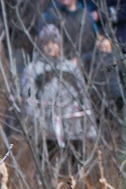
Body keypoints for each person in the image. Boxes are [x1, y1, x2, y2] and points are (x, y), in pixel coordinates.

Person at [20, 25, 98, 174]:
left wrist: (90, 127)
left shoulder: (71, 68)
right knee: (45, 168)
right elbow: (28, 98)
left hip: (73, 127)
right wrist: (37, 122)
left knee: (76, 167)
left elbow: (83, 97)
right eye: (46, 43)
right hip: (47, 127)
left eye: (54, 43)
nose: (50, 47)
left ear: (60, 45)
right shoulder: (33, 70)